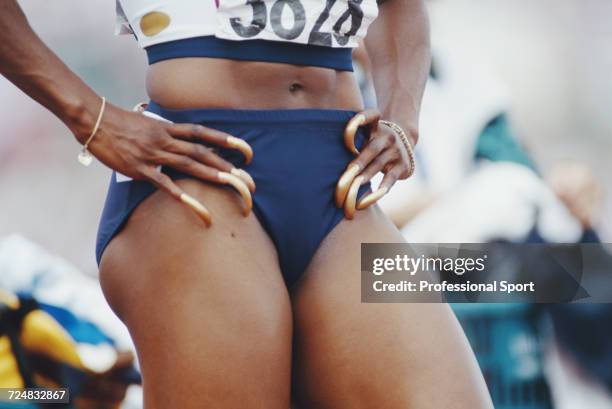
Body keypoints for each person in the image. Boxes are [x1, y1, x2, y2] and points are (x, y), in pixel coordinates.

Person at [0, 1, 493, 407]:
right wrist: (91, 118)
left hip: (339, 189)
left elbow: (401, 7)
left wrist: (403, 117)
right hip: (202, 175)